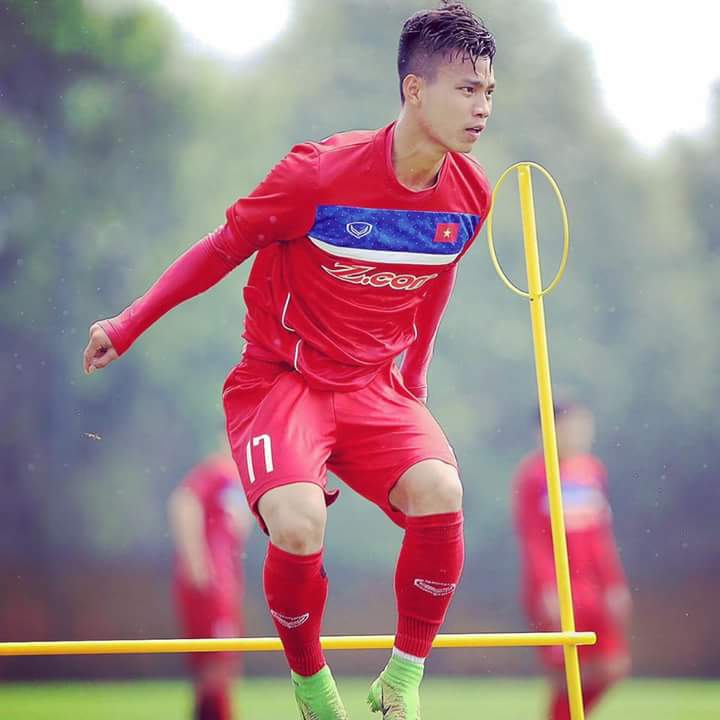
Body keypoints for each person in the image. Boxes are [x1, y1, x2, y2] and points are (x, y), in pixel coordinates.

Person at [82, 3, 496, 717]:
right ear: (414, 90)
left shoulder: (471, 195)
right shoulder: (316, 174)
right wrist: (128, 324)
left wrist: (415, 375)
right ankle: (311, 687)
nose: (482, 107)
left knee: (443, 491)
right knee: (299, 523)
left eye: (489, 91)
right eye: (466, 89)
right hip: (283, 381)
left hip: (374, 387)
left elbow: (437, 278)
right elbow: (221, 248)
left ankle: (401, 682)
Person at [512, 402, 632, 720]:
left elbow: (602, 536)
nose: (579, 434)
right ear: (547, 432)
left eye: (583, 427)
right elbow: (532, 539)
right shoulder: (534, 475)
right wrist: (547, 588)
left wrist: (614, 584)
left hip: (594, 587)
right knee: (568, 676)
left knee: (613, 667)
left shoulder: (592, 471)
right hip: (559, 587)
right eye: (571, 427)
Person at [169, 444, 252, 720]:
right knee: (219, 662)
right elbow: (184, 501)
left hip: (222, 582)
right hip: (213, 583)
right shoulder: (221, 471)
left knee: (215, 665)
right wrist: (196, 561)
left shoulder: (239, 480)